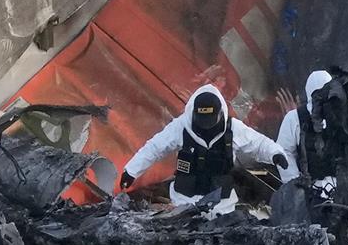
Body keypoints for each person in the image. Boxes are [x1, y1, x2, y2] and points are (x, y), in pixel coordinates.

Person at [120, 84, 288, 214]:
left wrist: (276, 154)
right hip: (184, 203)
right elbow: (155, 148)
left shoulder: (233, 128)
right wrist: (131, 171)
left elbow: (258, 144)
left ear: (220, 115)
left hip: (223, 205)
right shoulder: (181, 126)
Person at [275, 70, 336, 192]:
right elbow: (284, 152)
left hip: (340, 189)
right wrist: (296, 184)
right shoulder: (295, 118)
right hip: (308, 190)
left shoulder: (341, 116)